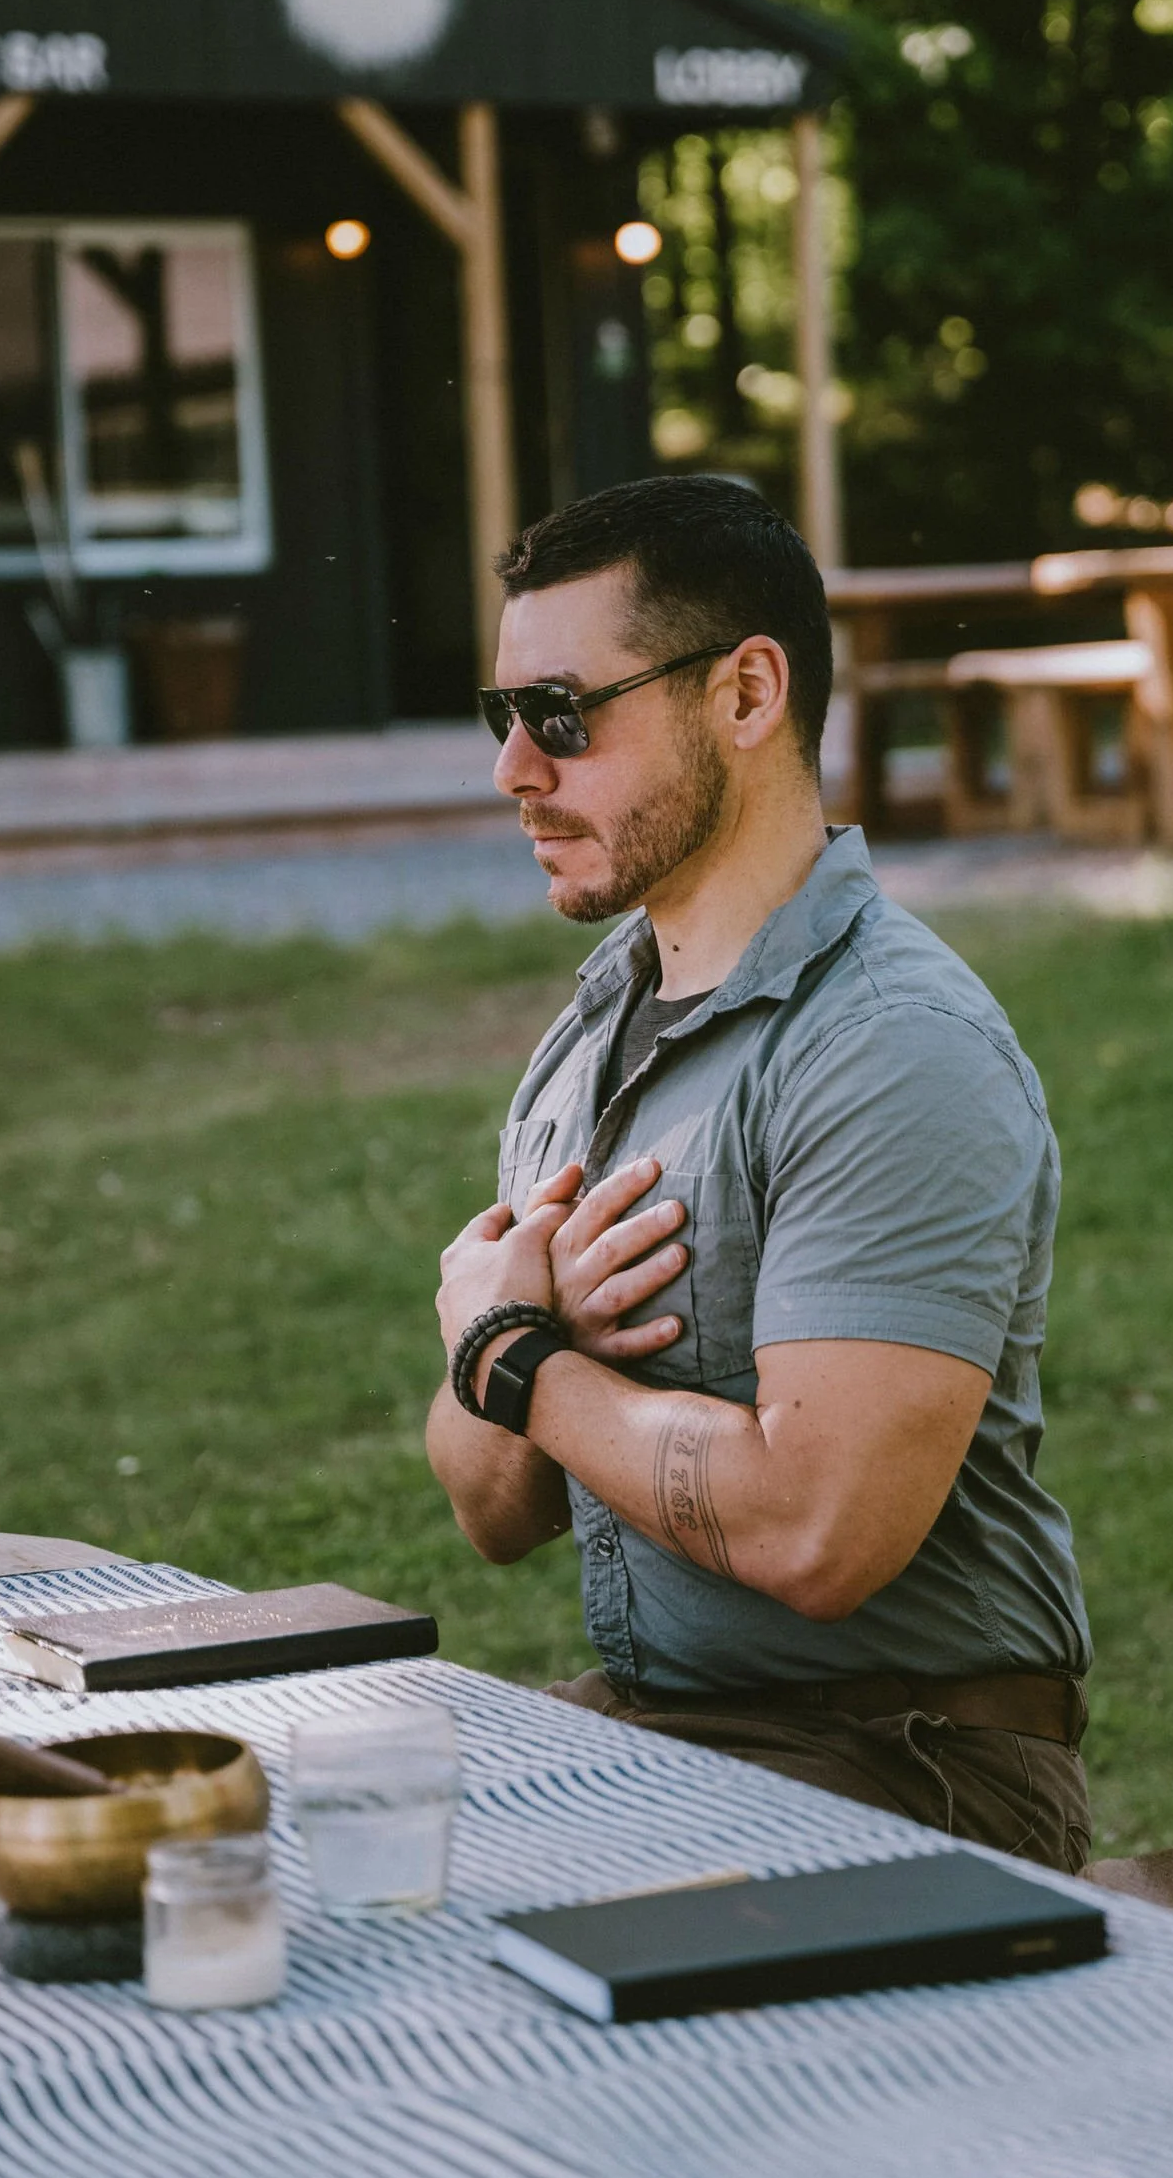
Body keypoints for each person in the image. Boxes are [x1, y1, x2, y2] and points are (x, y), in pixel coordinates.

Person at [426, 474, 1094, 1869]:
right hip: (668, 1731)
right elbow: (493, 1510)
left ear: (745, 694)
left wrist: (519, 1359)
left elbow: (819, 1533)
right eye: (504, 718)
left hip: (907, 1758)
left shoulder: (891, 1046)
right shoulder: (590, 1039)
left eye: (562, 717)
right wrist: (530, 1357)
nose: (514, 771)